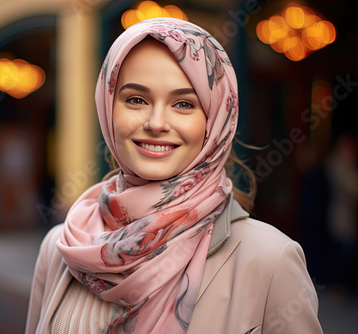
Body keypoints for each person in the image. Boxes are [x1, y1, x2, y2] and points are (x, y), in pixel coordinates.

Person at [26, 18, 322, 333]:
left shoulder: (270, 261)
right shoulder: (61, 247)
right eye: (136, 99)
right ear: (108, 108)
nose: (156, 122)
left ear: (215, 121)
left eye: (183, 104)